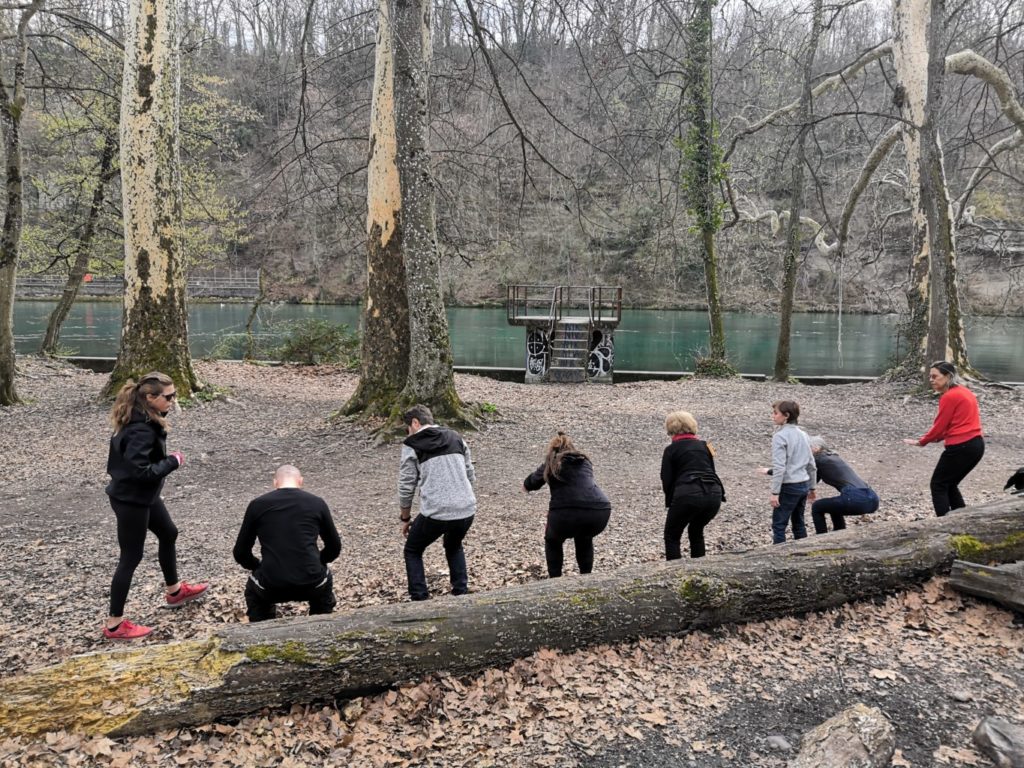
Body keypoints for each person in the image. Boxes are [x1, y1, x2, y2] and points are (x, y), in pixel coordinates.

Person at [103, 372, 208, 640]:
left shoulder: (142, 416)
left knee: (169, 533)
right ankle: (114, 624)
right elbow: (142, 472)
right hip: (131, 500)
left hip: (144, 496)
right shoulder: (140, 429)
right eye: (169, 396)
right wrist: (174, 460)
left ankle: (174, 592)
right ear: (150, 398)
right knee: (130, 557)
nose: (173, 400)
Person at [233, 465, 341, 622]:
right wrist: (319, 561)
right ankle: (321, 625)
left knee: (254, 591)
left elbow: (241, 552)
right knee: (324, 583)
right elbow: (334, 547)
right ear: (300, 481)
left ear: (275, 482)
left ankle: (262, 630)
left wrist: (257, 566)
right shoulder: (317, 503)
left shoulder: (257, 505)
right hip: (312, 581)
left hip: (271, 583)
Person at [398, 404, 476, 601]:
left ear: (415, 422)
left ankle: (420, 597)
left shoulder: (412, 444)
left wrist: (405, 517)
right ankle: (461, 592)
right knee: (454, 545)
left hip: (436, 511)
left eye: (408, 427)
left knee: (413, 549)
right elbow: (470, 475)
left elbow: (407, 485)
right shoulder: (456, 436)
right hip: (466, 508)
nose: (408, 432)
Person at [903, 361, 985, 517]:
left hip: (961, 447)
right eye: (930, 377)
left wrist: (922, 442)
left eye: (935, 376)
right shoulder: (964, 392)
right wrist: (936, 437)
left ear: (948, 376)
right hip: (976, 445)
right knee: (950, 484)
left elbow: (940, 426)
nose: (932, 380)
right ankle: (961, 520)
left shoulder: (950, 396)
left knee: (938, 484)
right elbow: (953, 424)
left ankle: (944, 524)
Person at [524, 432, 612, 576]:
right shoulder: (585, 461)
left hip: (565, 513)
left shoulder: (552, 461)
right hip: (599, 510)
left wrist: (526, 485)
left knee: (552, 540)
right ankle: (587, 576)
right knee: (584, 537)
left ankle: (555, 579)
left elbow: (533, 482)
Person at [659, 411, 725, 559]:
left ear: (670, 428)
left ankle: (674, 574)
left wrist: (670, 502)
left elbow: (666, 479)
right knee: (696, 530)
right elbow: (712, 471)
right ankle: (699, 570)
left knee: (672, 535)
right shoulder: (705, 446)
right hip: (714, 493)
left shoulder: (671, 450)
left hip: (687, 493)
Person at [762, 400, 817, 544]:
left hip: (789, 485)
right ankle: (804, 553)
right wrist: (812, 487)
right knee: (799, 523)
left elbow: (780, 467)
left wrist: (775, 493)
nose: (772, 416)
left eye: (775, 413)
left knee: (779, 525)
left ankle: (779, 558)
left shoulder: (780, 436)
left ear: (786, 415)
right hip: (804, 484)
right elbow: (811, 464)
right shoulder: (803, 434)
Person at [807, 436, 879, 534]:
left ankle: (821, 537)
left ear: (817, 448)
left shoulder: (819, 459)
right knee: (833, 506)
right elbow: (814, 482)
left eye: (808, 448)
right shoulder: (833, 457)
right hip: (873, 498)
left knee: (817, 507)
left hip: (856, 499)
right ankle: (839, 533)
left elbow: (810, 479)